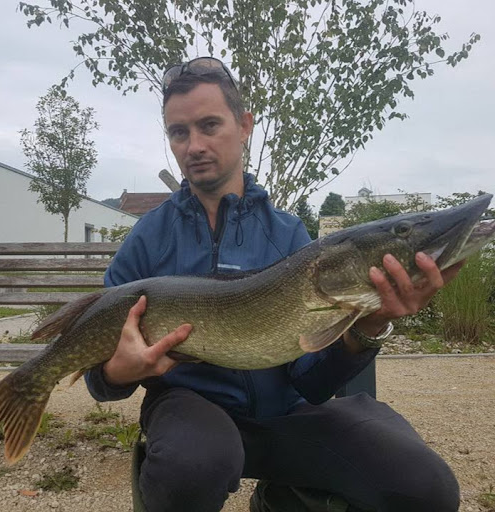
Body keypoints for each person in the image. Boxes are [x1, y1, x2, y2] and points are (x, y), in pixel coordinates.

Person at [85, 57, 463, 512]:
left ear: (244, 126)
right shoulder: (147, 239)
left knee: (426, 488)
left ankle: (277, 501)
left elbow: (312, 381)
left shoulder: (288, 234)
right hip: (189, 416)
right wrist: (116, 373)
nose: (194, 145)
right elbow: (97, 375)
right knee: (192, 467)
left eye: (209, 125)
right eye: (179, 132)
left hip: (286, 417)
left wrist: (368, 326)